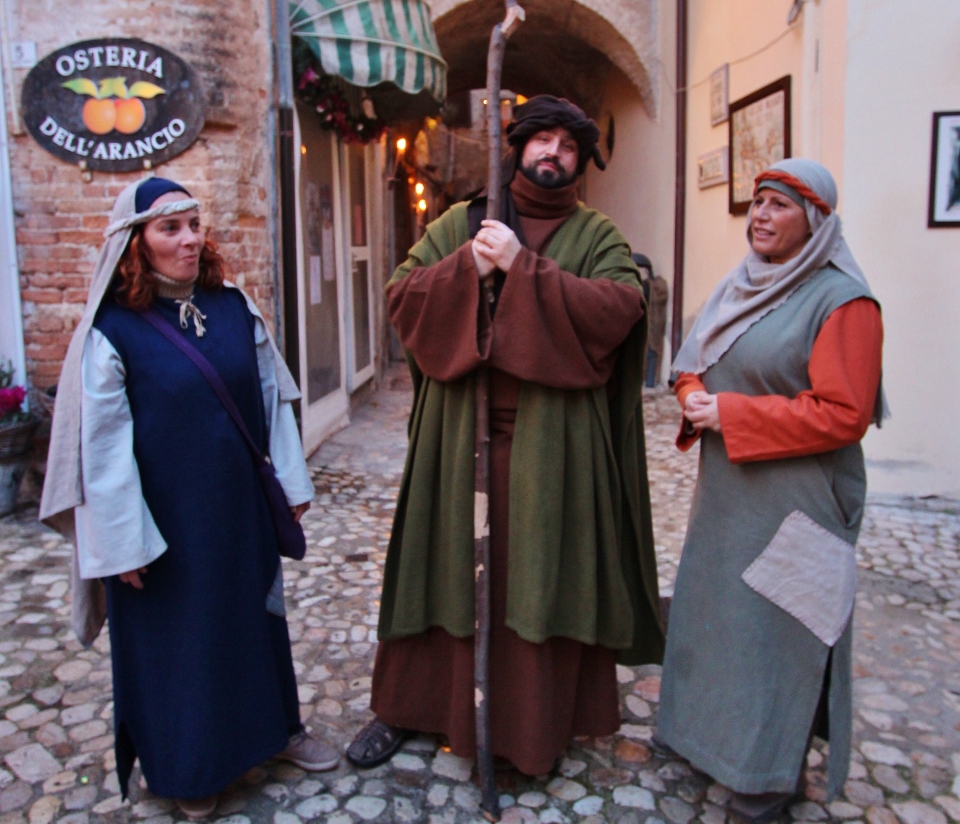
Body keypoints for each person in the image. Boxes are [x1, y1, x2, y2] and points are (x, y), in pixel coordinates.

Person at [346, 95, 665, 773]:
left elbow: (620, 307)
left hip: (557, 447)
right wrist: (470, 266)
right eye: (542, 139)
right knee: (442, 569)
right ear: (517, 147)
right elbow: (402, 294)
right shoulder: (463, 223)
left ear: (581, 161)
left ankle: (529, 730)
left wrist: (524, 269)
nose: (554, 152)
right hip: (459, 438)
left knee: (543, 576)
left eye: (569, 145)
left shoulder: (597, 234)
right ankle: (410, 708)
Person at [40, 178, 338, 819]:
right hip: (162, 526)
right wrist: (122, 543)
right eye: (169, 228)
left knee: (256, 624)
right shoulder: (111, 332)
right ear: (136, 243)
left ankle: (278, 732)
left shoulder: (233, 307)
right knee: (181, 644)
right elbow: (103, 450)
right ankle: (191, 768)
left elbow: (272, 399)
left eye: (194, 225)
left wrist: (291, 483)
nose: (189, 239)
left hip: (237, 511)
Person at [656, 159, 885, 823]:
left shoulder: (844, 302)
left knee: (778, 635)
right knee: (718, 619)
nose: (760, 215)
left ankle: (768, 775)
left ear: (814, 221)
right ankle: (704, 740)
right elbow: (695, 360)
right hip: (731, 493)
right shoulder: (742, 283)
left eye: (779, 205)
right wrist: (692, 394)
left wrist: (730, 413)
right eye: (758, 202)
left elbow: (845, 413)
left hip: (799, 499)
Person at [631, 253, 669, 387]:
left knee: (650, 352)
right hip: (635, 326)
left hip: (647, 327)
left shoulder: (650, 287)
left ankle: (649, 381)